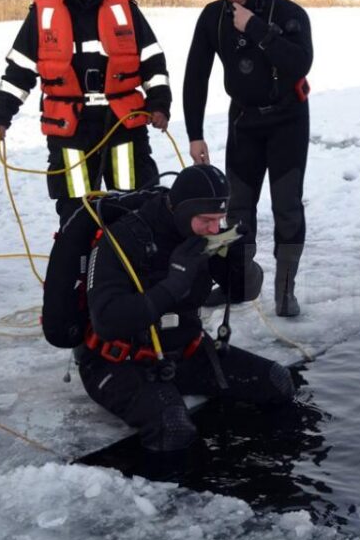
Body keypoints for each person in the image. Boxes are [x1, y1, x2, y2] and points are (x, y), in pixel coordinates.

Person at [75, 164, 293, 454]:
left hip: (185, 352)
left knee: (278, 383)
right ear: (181, 211)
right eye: (206, 220)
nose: (214, 228)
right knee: (172, 427)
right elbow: (106, 320)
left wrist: (242, 263)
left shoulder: (205, 235)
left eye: (219, 219)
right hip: (119, 363)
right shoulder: (124, 239)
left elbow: (244, 292)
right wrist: (172, 286)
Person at [0, 0, 172, 225]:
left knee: (136, 203)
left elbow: (153, 62)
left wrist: (159, 104)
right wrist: (1, 113)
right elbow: (20, 71)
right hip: (69, 127)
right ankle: (79, 261)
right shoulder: (43, 12)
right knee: (76, 209)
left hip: (121, 121)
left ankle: (131, 263)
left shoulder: (125, 7)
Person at [183, 0, 313, 317]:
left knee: (287, 207)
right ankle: (237, 285)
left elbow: (300, 63)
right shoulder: (214, 17)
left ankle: (285, 292)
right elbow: (196, 74)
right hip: (243, 121)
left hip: (288, 121)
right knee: (237, 208)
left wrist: (257, 28)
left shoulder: (289, 13)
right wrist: (195, 133)